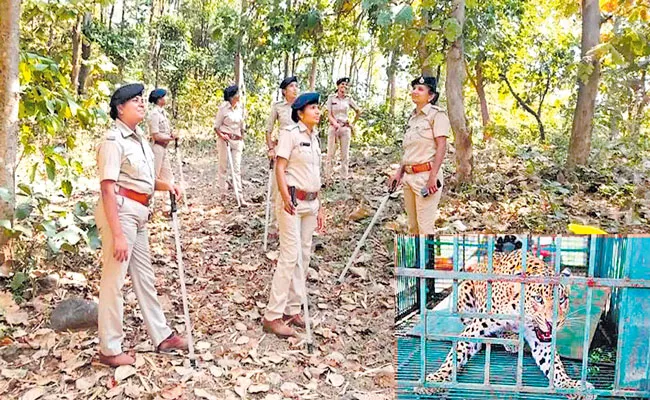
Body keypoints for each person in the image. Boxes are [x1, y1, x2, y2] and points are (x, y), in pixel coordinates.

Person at [94, 83, 187, 367]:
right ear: (119, 108)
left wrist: (166, 185)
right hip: (120, 214)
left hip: (140, 213)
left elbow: (142, 182)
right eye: (134, 101)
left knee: (145, 278)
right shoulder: (113, 141)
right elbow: (108, 188)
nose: (141, 104)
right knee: (114, 281)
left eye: (141, 100)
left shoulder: (141, 141)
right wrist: (118, 234)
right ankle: (109, 348)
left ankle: (162, 335)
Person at [262, 92, 325, 338]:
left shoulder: (315, 138)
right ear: (300, 113)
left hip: (311, 202)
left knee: (304, 254)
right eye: (313, 108)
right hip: (292, 200)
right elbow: (280, 166)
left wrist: (321, 206)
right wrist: (285, 197)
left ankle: (292, 308)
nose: (318, 111)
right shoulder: (290, 134)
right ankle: (272, 315)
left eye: (318, 108)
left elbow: (316, 175)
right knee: (289, 255)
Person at [388, 76, 450, 235]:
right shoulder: (412, 118)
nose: (415, 91)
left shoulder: (437, 115)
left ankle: (428, 260)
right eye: (414, 88)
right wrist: (399, 173)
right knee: (413, 227)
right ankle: (415, 260)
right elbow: (409, 151)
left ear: (431, 96)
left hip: (426, 176)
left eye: (420, 89)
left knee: (425, 228)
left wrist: (432, 177)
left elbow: (442, 146)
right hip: (409, 176)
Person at [266, 76, 300, 239]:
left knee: (296, 188)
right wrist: (271, 148)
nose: (295, 89)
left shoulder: (302, 107)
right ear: (284, 91)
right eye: (291, 86)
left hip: (299, 152)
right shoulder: (278, 107)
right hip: (282, 151)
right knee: (276, 189)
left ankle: (292, 223)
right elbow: (268, 129)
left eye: (296, 86)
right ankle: (273, 226)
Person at [214, 85, 246, 205]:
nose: (239, 95)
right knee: (223, 167)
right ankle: (223, 195)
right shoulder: (223, 108)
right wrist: (222, 136)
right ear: (232, 97)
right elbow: (216, 127)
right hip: (225, 141)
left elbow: (242, 124)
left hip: (236, 141)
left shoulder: (240, 108)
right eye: (237, 93)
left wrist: (242, 137)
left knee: (236, 169)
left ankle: (239, 196)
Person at [325, 77, 361, 181]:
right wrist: (334, 123)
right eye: (342, 84)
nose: (344, 86)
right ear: (338, 86)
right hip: (333, 128)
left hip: (345, 128)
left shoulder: (348, 99)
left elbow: (358, 111)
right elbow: (329, 114)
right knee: (330, 153)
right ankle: (329, 178)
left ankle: (343, 178)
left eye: (346, 85)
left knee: (345, 155)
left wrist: (353, 123)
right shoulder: (331, 98)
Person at [147, 88, 176, 186]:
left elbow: (164, 131)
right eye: (164, 96)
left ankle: (168, 201)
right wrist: (171, 138)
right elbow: (156, 135)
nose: (166, 98)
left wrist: (171, 135)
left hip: (164, 148)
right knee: (153, 176)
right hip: (157, 148)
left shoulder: (163, 113)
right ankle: (150, 200)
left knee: (168, 177)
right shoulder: (154, 114)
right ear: (159, 99)